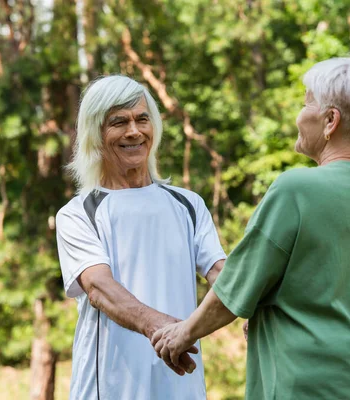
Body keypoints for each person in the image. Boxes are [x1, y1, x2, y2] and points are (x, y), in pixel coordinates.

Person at [152, 57, 350, 400]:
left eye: (307, 104)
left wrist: (183, 333)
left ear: (330, 120)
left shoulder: (297, 189)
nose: (299, 116)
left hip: (310, 386)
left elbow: (236, 288)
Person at [55, 75, 226, 400]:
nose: (134, 131)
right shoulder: (78, 214)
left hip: (182, 385)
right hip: (110, 388)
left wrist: (255, 310)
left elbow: (223, 275)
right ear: (96, 133)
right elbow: (99, 289)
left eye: (142, 119)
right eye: (118, 122)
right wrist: (168, 330)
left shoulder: (188, 204)